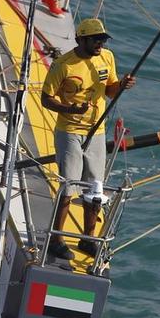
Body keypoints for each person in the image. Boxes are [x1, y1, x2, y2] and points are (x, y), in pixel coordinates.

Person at [40, 18, 134, 259]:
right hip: (70, 132)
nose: (100, 43)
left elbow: (110, 89)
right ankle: (56, 239)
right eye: (95, 39)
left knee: (95, 189)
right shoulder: (63, 65)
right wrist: (70, 110)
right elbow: (46, 99)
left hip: (98, 132)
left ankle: (87, 239)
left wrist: (121, 85)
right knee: (69, 186)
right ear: (81, 39)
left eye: (103, 39)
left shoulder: (107, 58)